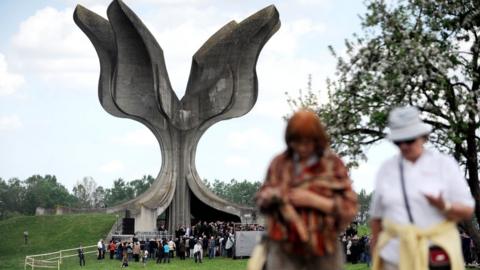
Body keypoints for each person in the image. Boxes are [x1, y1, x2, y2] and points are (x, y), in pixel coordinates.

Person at [370, 106, 475, 270]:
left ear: (423, 137)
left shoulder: (444, 165)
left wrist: (444, 206)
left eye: (409, 140)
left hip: (435, 256)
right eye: (399, 142)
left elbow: (467, 210)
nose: (404, 146)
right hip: (394, 258)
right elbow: (377, 219)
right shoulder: (386, 169)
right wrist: (376, 253)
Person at [252, 110, 358, 270]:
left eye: (307, 142)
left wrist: (313, 200)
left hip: (323, 249)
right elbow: (261, 200)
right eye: (297, 141)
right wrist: (271, 196)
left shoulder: (332, 165)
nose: (302, 147)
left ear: (318, 140)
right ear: (289, 140)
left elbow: (350, 208)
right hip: (284, 249)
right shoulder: (279, 164)